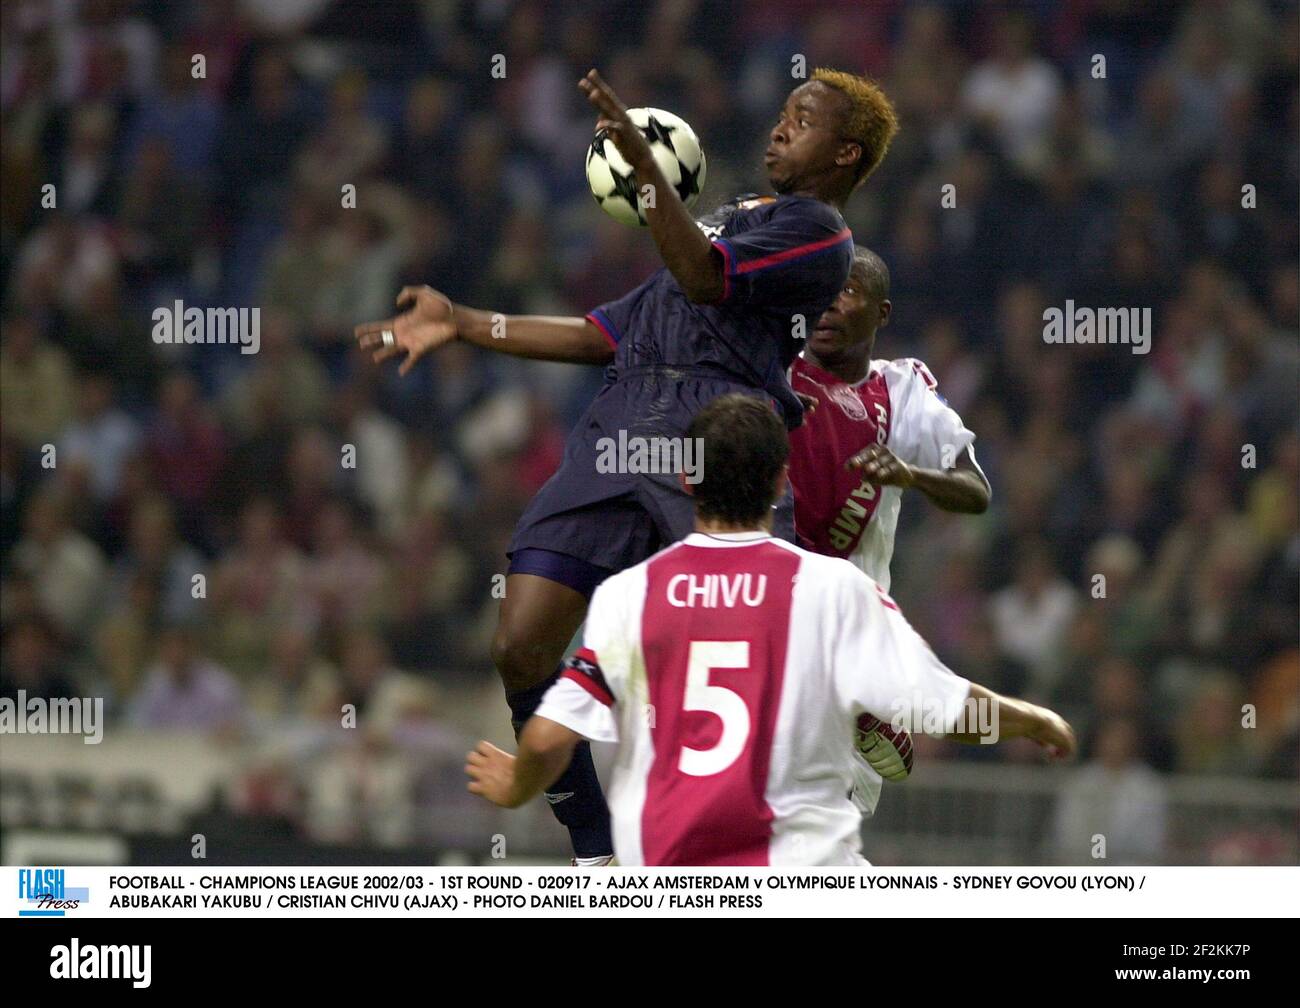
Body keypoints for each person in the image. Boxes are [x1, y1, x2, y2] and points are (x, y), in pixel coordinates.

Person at [357, 68, 899, 863]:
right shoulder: (732, 217)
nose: (780, 129)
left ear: (846, 152)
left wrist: (648, 176)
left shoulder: (820, 235)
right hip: (619, 424)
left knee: (734, 656)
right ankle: (596, 851)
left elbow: (705, 279)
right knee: (520, 643)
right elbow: (601, 334)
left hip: (716, 432)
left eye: (804, 120)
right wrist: (465, 322)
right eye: (782, 112)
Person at [465, 394, 1075, 866]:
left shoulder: (631, 594)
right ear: (782, 483)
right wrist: (1033, 721)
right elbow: (943, 711)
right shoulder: (834, 590)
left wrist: (518, 784)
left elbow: (548, 738)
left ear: (685, 480)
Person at [788, 245, 991, 816]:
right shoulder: (775, 367)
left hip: (852, 626)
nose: (828, 305)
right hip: (768, 620)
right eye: (820, 291)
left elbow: (975, 491)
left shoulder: (902, 392)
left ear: (882, 313)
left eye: (847, 290)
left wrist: (910, 472)